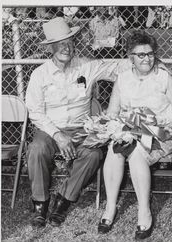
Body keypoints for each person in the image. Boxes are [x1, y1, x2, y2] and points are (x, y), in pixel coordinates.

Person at [25, 17, 118, 228]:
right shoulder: (39, 74)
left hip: (81, 127)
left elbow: (116, 69)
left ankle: (64, 199)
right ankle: (40, 203)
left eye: (69, 42)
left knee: (93, 154)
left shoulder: (87, 66)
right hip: (50, 129)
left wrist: (146, 65)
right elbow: (35, 112)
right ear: (50, 47)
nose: (66, 47)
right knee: (36, 149)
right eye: (60, 44)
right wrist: (58, 135)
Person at [97, 31, 172, 239]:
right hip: (130, 131)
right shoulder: (122, 79)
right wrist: (109, 123)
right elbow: (113, 111)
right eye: (141, 55)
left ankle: (144, 211)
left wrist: (171, 125)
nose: (147, 58)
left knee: (137, 152)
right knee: (115, 150)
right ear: (130, 57)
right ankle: (110, 208)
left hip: (161, 133)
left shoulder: (164, 78)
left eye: (150, 53)